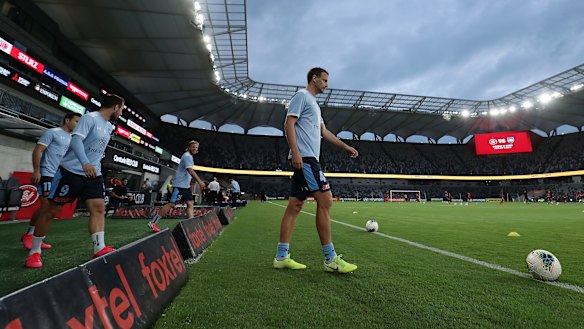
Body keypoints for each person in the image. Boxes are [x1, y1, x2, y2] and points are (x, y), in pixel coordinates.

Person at [273, 67, 359, 274]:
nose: (327, 85)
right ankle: (330, 259)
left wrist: (344, 146)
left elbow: (324, 131)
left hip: (309, 158)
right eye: (324, 80)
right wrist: (296, 153)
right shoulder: (302, 96)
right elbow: (289, 124)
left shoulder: (315, 105)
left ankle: (281, 257)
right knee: (326, 201)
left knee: (295, 205)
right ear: (314, 79)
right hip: (306, 159)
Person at [25, 94, 125, 268]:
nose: (122, 113)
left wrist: (92, 165)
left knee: (98, 208)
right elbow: (76, 140)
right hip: (70, 172)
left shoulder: (109, 127)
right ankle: (34, 252)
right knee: (50, 211)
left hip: (94, 174)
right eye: (122, 109)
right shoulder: (90, 118)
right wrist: (84, 162)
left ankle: (99, 247)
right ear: (115, 107)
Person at [23, 112, 81, 250]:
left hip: (60, 175)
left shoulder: (74, 139)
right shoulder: (53, 133)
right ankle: (29, 235)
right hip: (47, 173)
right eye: (76, 121)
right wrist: (36, 170)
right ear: (67, 120)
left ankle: (37, 236)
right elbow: (38, 151)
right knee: (45, 206)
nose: (78, 125)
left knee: (49, 209)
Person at [148, 140, 206, 232]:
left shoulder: (190, 156)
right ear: (189, 147)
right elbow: (190, 170)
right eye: (194, 147)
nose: (195, 149)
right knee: (171, 204)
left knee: (190, 203)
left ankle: (190, 224)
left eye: (197, 148)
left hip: (185, 186)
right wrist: (199, 181)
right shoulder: (187, 156)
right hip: (179, 186)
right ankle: (153, 222)